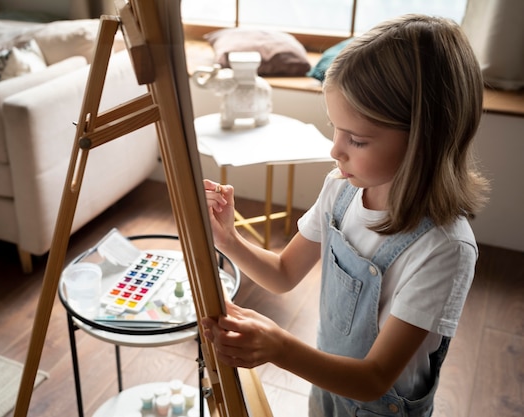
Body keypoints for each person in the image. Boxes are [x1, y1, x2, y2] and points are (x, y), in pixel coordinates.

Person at [201, 14, 489, 417]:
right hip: (327, 383)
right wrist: (229, 239)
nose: (336, 150)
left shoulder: (445, 249)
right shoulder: (341, 189)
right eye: (335, 129)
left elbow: (374, 379)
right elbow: (284, 273)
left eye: (356, 139)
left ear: (425, 140)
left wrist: (279, 347)